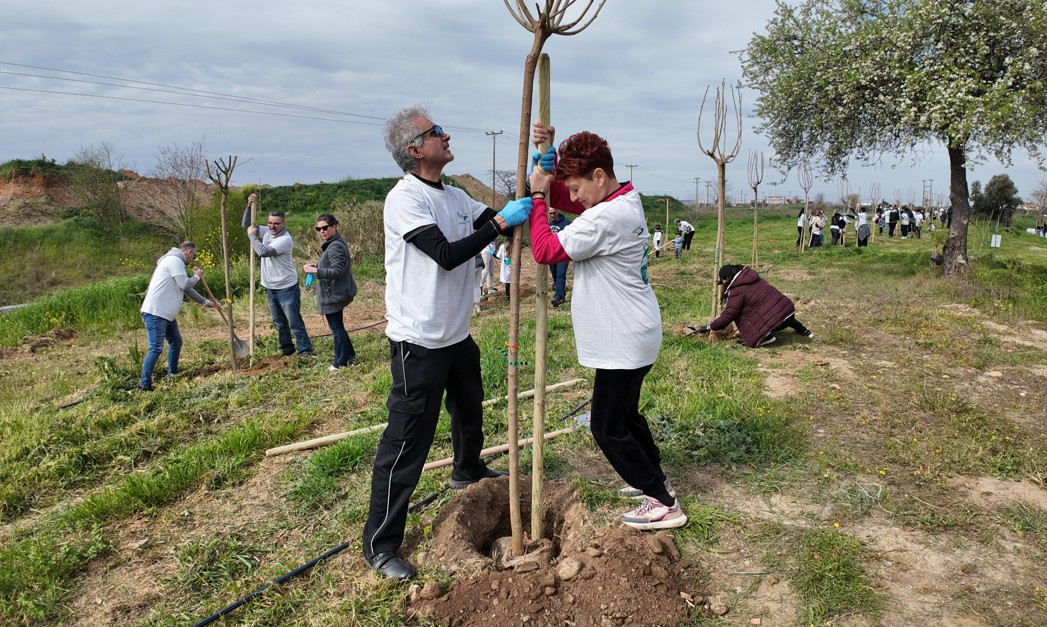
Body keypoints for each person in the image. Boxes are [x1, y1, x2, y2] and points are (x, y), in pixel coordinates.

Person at [362, 105, 531, 580]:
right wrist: (498, 226)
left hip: (456, 335)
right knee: (407, 440)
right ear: (415, 150)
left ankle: (467, 468)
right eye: (437, 132)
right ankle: (380, 544)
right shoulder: (404, 199)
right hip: (418, 341)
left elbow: (498, 219)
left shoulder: (454, 195)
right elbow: (445, 254)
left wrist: (535, 182)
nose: (447, 135)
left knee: (469, 407)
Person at [529, 122, 687, 532]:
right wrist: (547, 165)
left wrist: (537, 197)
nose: (574, 197)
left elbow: (545, 249)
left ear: (599, 176)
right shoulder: (622, 199)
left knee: (606, 426)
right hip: (634, 330)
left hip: (623, 336)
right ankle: (654, 478)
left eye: (578, 187)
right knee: (627, 416)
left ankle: (662, 501)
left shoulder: (607, 216)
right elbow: (569, 197)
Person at [138, 241, 217, 391]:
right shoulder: (174, 261)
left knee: (176, 342)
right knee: (156, 348)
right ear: (189, 253)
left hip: (166, 314)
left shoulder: (175, 262)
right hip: (156, 313)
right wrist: (197, 276)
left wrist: (207, 302)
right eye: (194, 256)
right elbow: (186, 284)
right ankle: (144, 385)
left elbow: (187, 289)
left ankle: (172, 375)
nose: (193, 260)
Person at [243, 196, 313, 357]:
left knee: (293, 321)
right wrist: (248, 206)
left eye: (276, 223)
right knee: (279, 323)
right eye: (269, 223)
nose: (271, 226)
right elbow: (247, 225)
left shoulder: (285, 240)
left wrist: (252, 237)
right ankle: (287, 350)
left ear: (283, 224)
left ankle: (306, 350)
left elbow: (263, 251)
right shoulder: (267, 232)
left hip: (286, 287)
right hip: (271, 287)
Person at [694, 264, 813, 347]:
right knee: (773, 309)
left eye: (723, 281)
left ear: (727, 278)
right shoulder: (752, 278)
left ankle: (767, 338)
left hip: (778, 322)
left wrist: (709, 327)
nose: (723, 284)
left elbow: (729, 314)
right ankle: (806, 332)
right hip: (788, 312)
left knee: (740, 312)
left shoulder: (737, 290)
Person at [303, 214, 357, 370]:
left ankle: (340, 363)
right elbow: (333, 265)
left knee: (337, 329)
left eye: (325, 228)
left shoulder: (335, 246)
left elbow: (337, 271)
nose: (321, 231)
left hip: (334, 295)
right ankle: (349, 356)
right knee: (338, 326)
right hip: (335, 293)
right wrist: (319, 266)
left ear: (334, 226)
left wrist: (316, 271)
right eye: (318, 229)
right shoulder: (334, 243)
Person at [547, 206, 571, 306]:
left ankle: (558, 296)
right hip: (551, 253)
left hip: (562, 253)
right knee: (555, 274)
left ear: (558, 211)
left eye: (554, 213)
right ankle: (561, 294)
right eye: (550, 213)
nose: (552, 215)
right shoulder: (546, 224)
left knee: (561, 273)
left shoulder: (566, 223)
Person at [497, 235, 512, 300]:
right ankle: (511, 294)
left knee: (507, 281)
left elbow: (498, 256)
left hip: (505, 268)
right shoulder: (515, 246)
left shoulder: (502, 246)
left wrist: (492, 253)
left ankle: (507, 295)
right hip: (512, 267)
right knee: (511, 281)